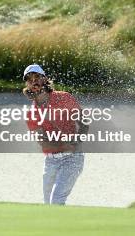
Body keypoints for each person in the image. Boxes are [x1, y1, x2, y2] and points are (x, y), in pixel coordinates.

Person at [22, 64, 85, 205]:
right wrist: (65, 143)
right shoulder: (31, 113)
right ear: (27, 84)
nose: (34, 81)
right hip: (51, 161)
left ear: (45, 79)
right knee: (47, 204)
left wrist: (77, 140)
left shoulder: (64, 98)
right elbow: (43, 142)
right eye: (29, 79)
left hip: (72, 159)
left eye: (37, 77)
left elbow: (83, 122)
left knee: (56, 200)